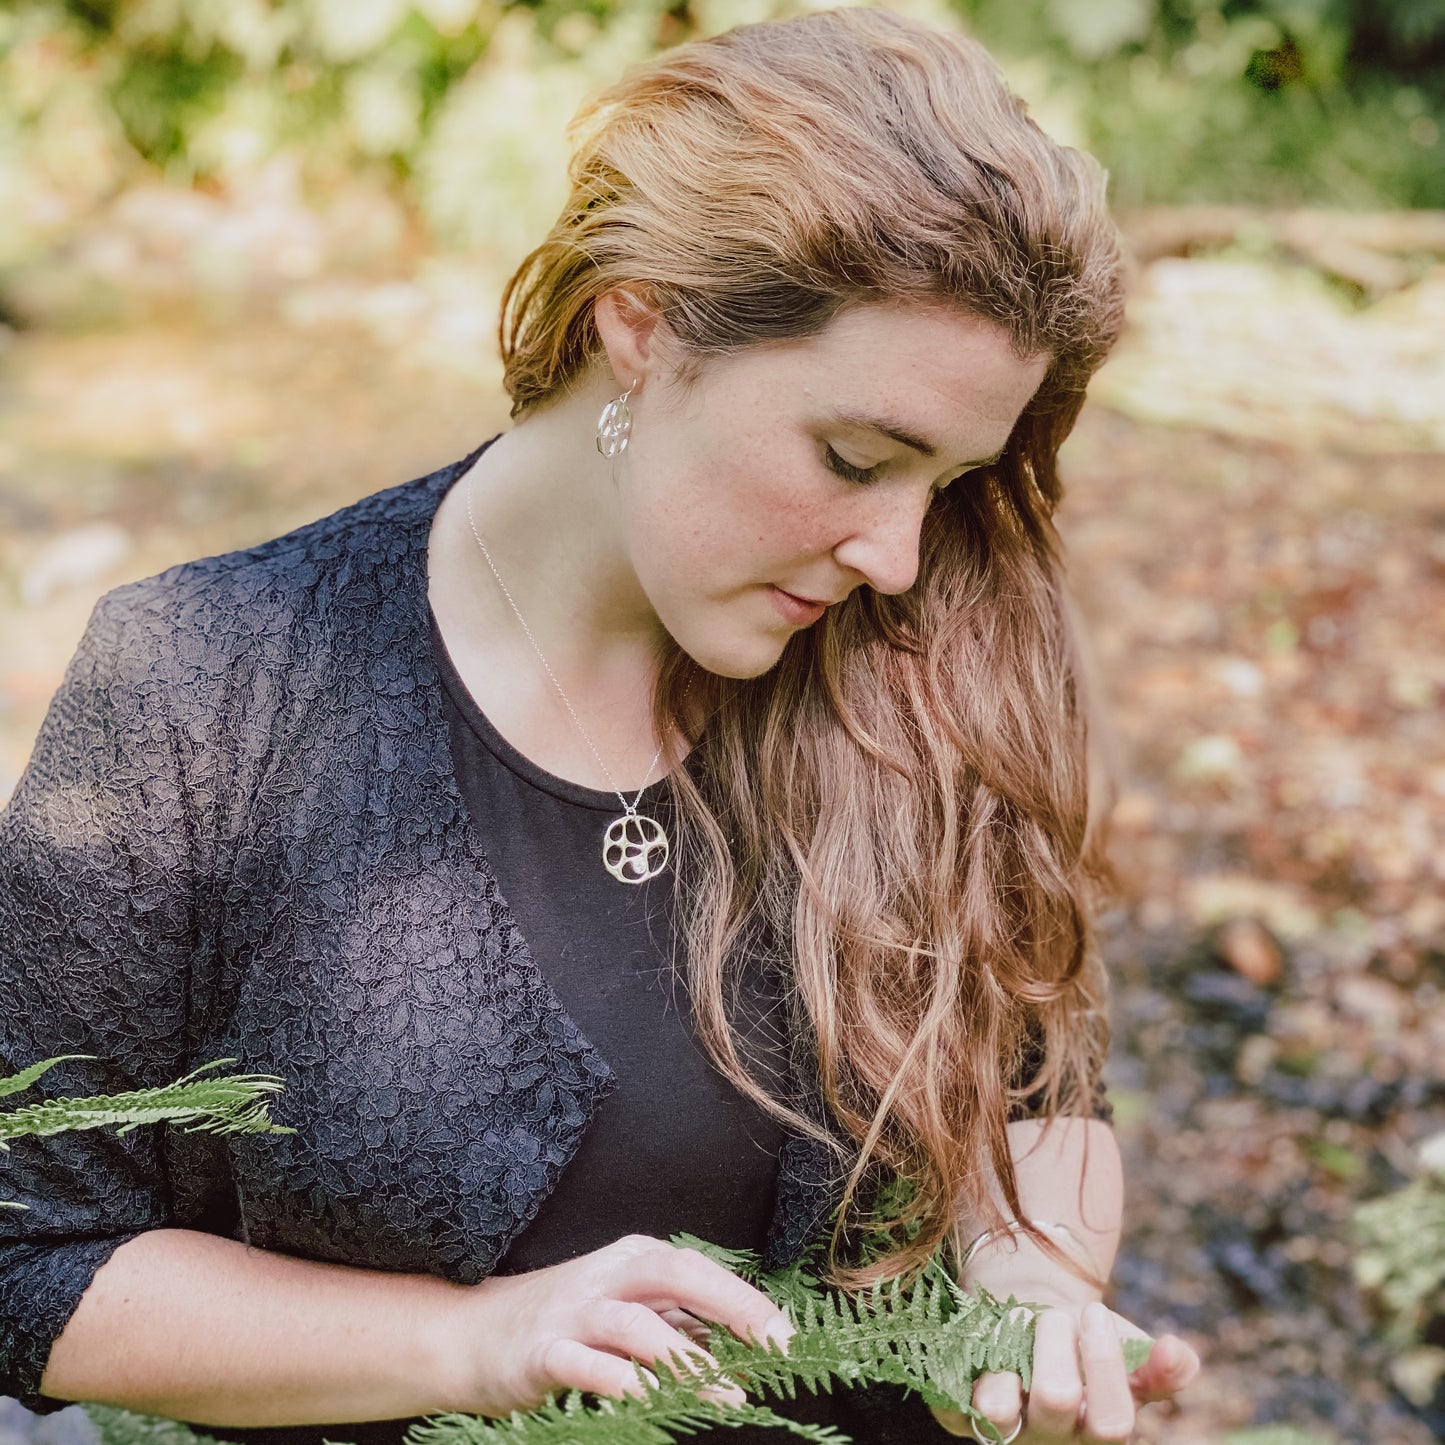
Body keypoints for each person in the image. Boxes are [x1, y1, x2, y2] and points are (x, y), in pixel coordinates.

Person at [0, 7, 1201, 1444]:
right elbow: (31, 1265)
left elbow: (1041, 1092)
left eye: (940, 480)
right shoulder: (203, 687)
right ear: (638, 323)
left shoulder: (928, 649)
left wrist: (1036, 1294)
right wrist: (472, 1339)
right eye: (855, 457)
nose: (894, 548)